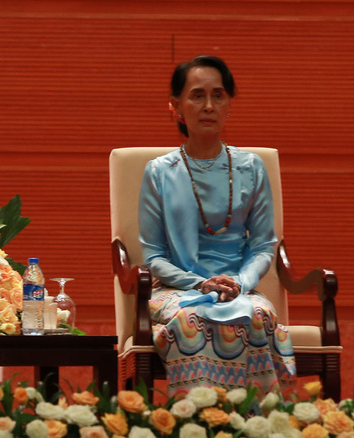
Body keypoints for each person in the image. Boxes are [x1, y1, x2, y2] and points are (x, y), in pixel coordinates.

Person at [138, 55, 296, 396]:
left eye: (218, 95)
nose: (208, 105)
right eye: (197, 95)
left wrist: (239, 283)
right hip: (177, 290)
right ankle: (198, 422)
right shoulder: (159, 172)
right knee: (192, 319)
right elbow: (153, 255)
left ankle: (255, 423)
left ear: (229, 105)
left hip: (240, 288)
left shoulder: (251, 167)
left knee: (257, 315)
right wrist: (200, 283)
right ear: (176, 106)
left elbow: (263, 244)